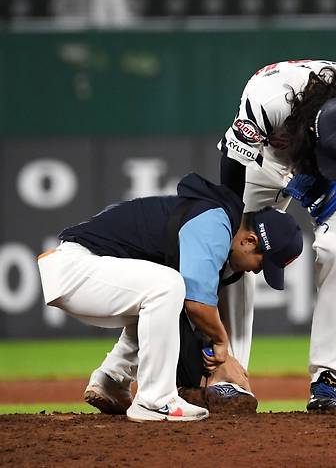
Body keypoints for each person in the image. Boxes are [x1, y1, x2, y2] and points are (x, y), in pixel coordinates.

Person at [217, 60, 336, 413]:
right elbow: (232, 161)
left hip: (334, 155)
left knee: (335, 250)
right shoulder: (267, 99)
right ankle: (232, 374)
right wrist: (233, 226)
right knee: (237, 250)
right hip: (267, 160)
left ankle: (328, 378)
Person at [37, 172, 302, 422]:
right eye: (261, 262)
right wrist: (222, 347)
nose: (257, 270)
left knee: (160, 299)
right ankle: (155, 400)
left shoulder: (218, 227)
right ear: (249, 240)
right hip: (76, 267)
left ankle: (112, 380)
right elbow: (196, 305)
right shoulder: (216, 222)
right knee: (169, 286)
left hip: (89, 270)